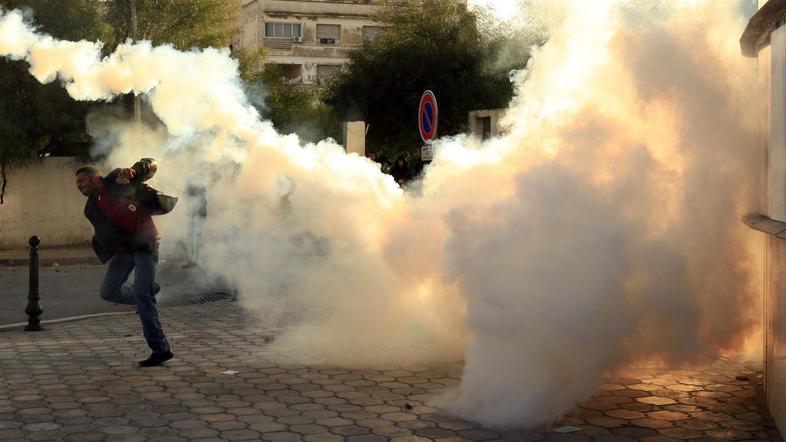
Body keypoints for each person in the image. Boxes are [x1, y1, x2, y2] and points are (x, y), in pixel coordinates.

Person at [75, 159, 178, 367]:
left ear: (96, 177)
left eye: (82, 180)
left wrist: (136, 170)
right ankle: (148, 291)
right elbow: (107, 233)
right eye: (77, 183)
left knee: (143, 296)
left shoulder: (117, 180)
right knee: (108, 291)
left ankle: (161, 349)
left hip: (145, 246)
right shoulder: (91, 209)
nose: (79, 185)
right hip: (124, 250)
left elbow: (151, 165)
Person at [183, 184, 207, 269]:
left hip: (198, 214)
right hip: (194, 214)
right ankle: (193, 260)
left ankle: (197, 261)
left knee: (197, 237)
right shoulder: (194, 185)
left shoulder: (199, 187)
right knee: (193, 237)